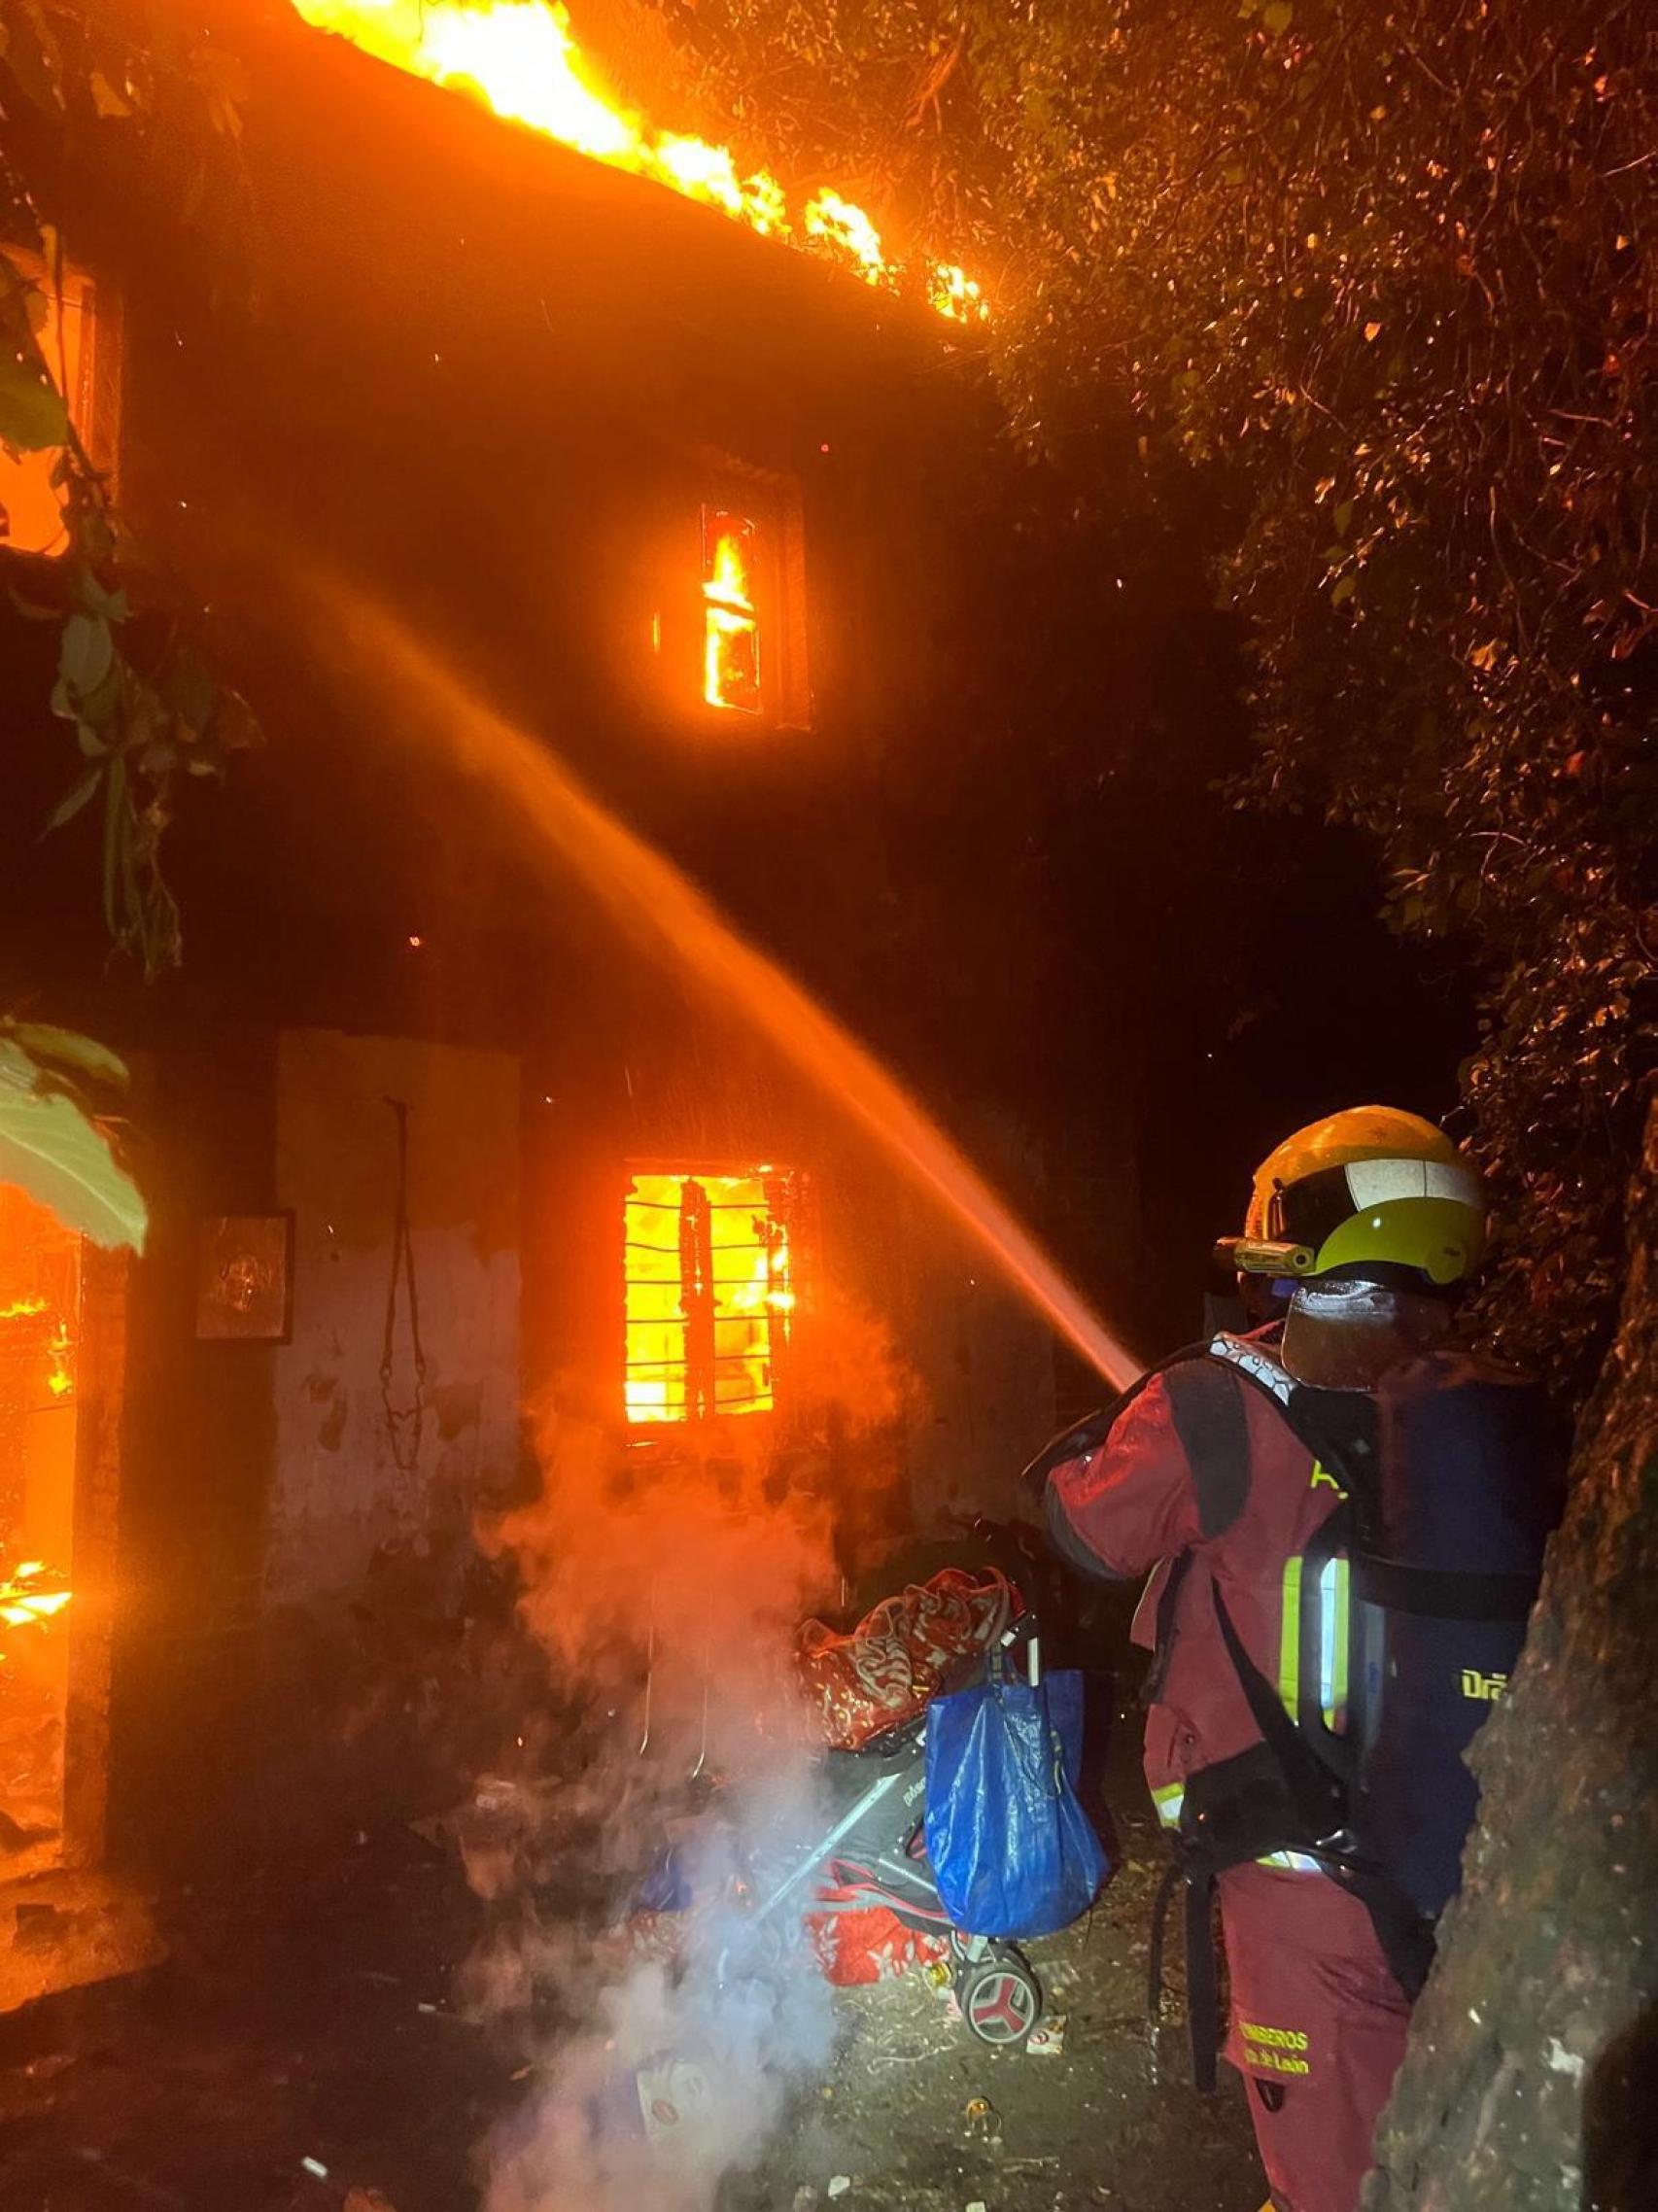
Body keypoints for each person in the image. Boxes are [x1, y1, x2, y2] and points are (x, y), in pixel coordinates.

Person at [1035, 1107, 1563, 2212]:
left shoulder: (1210, 1403)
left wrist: (1120, 1420)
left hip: (1296, 1872)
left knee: (1330, 2168)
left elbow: (1087, 1529)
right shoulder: (1482, 1415)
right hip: (1454, 1851)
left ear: (1294, 1236)